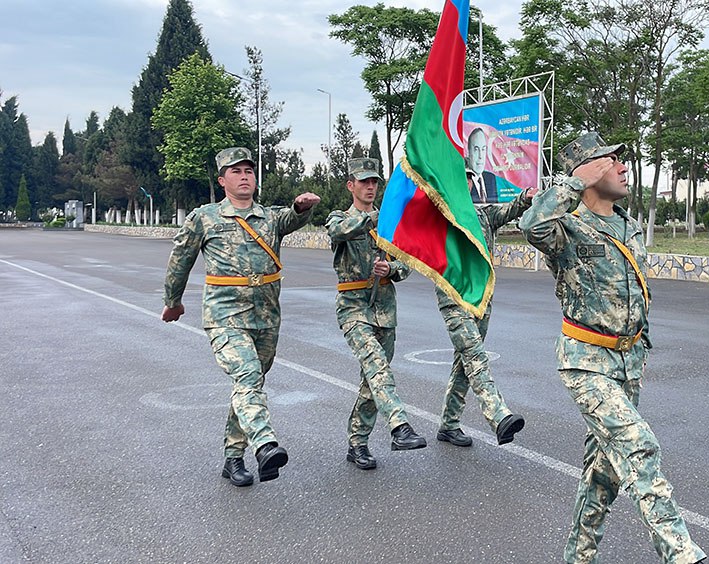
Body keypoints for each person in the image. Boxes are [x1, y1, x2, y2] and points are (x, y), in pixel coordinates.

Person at [519, 132, 706, 564]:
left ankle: (578, 557)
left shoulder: (630, 226)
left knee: (604, 474)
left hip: (629, 361)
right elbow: (531, 226)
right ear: (589, 169)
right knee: (639, 447)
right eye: (611, 160)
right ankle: (680, 553)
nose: (623, 167)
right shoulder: (565, 227)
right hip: (586, 362)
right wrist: (573, 183)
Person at [161, 147, 320, 487]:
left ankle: (233, 458)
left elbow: (291, 219)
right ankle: (265, 444)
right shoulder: (204, 217)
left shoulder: (269, 217)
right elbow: (180, 260)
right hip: (224, 314)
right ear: (222, 180)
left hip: (266, 316)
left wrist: (301, 207)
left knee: (249, 384)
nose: (245, 175)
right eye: (236, 171)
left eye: (249, 170)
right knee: (247, 375)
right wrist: (172, 301)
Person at [326, 157, 426, 471]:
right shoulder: (341, 218)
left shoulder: (389, 221)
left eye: (374, 182)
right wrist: (376, 221)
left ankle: (357, 444)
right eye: (364, 182)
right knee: (376, 365)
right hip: (354, 308)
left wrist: (391, 268)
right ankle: (399, 426)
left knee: (372, 382)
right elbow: (339, 232)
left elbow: (406, 263)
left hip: (385, 310)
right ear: (350, 185)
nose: (370, 187)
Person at [435, 170, 536, 448]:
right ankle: (498, 415)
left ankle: (449, 424)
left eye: (468, 177)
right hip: (453, 297)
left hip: (481, 299)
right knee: (475, 355)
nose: (465, 181)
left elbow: (510, 210)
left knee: (464, 363)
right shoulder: (439, 215)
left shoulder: (484, 214)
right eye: (460, 176)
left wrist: (525, 198)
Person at [466, 127, 499, 204]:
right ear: (468, 152)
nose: (480, 156)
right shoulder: (464, 181)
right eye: (476, 149)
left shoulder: (490, 178)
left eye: (483, 149)